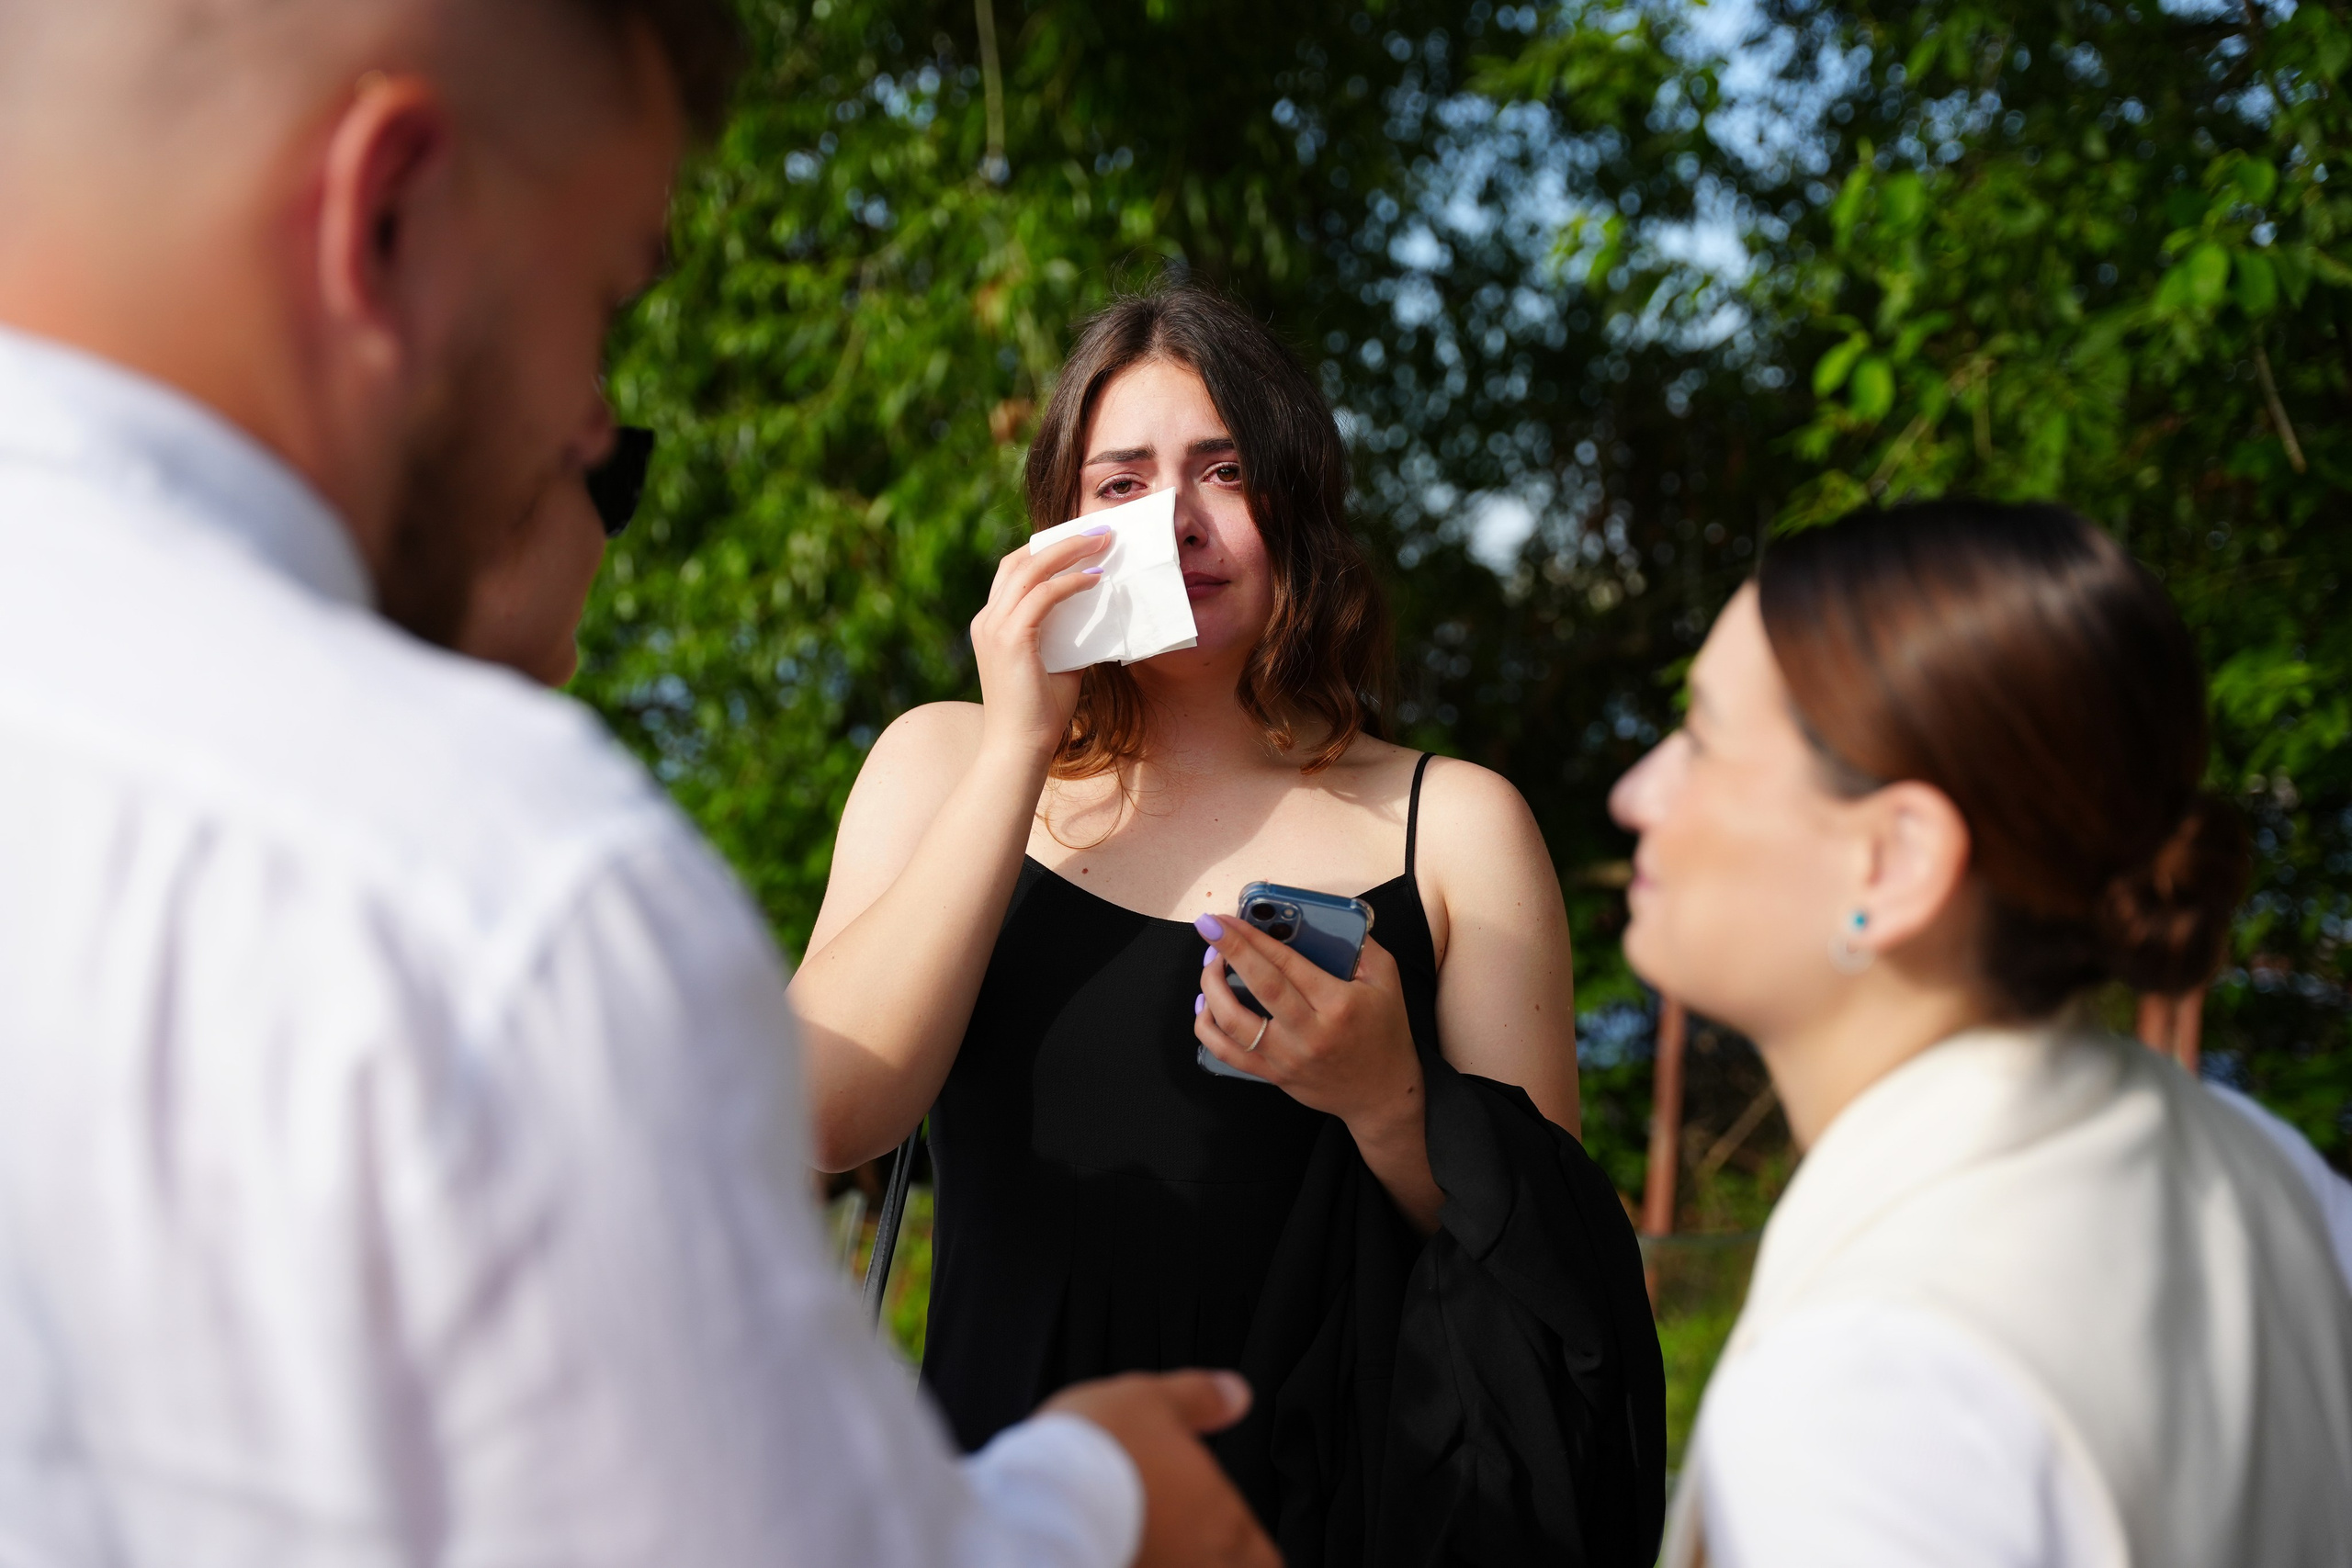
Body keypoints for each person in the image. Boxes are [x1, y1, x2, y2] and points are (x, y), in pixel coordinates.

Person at [0, 3, 1278, 1564]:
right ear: (384, 215)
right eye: (603, 302)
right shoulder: (499, 892)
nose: (593, 421)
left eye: (1223, 469)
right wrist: (1095, 1490)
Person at [790, 285, 1665, 1565]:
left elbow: (1544, 1271)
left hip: (1330, 1521)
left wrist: (1390, 1100)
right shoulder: (945, 763)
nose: (1178, 523)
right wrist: (1023, 742)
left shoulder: (1454, 825)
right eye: (1123, 483)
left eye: (1226, 472)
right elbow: (827, 1108)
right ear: (1059, 525)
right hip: (1013, 1515)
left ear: (1299, 509)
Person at [1605, 501, 2352, 1567]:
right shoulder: (2263, 1163)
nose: (1636, 792)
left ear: (1892, 862)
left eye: (1703, 738)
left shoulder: (1868, 1400)